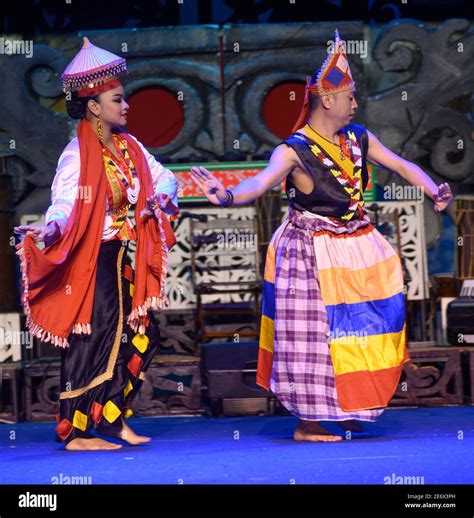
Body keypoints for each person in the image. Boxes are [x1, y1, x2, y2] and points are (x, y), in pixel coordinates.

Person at [190, 29, 452, 442]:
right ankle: (308, 422)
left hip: (356, 246)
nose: (355, 104)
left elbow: (401, 165)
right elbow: (257, 186)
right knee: (312, 336)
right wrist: (224, 195)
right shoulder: (293, 150)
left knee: (364, 329)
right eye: (350, 98)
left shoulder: (358, 138)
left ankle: (347, 406)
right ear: (327, 100)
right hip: (308, 252)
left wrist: (433, 189)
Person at [14, 37, 180, 450]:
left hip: (125, 256)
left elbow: (163, 177)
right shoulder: (77, 155)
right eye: (118, 100)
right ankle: (75, 431)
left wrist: (160, 197)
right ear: (93, 105)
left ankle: (111, 416)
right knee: (95, 337)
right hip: (95, 257)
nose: (126, 106)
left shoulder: (129, 146)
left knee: (143, 335)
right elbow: (66, 203)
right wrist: (50, 230)